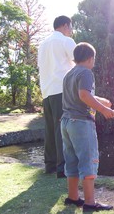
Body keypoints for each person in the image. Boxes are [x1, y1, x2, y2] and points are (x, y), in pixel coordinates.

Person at [61, 42, 114, 211]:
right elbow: (84, 95)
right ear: (90, 58)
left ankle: (73, 198)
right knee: (88, 162)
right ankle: (90, 203)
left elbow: (78, 96)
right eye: (94, 59)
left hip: (66, 123)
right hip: (81, 123)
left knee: (71, 162)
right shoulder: (86, 72)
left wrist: (101, 101)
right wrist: (104, 110)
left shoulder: (69, 74)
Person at [37, 15, 76, 178]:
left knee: (50, 129)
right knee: (63, 129)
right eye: (71, 27)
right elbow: (80, 62)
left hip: (46, 91)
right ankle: (63, 168)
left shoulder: (42, 44)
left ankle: (50, 165)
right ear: (65, 25)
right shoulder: (66, 41)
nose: (71, 31)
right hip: (61, 89)